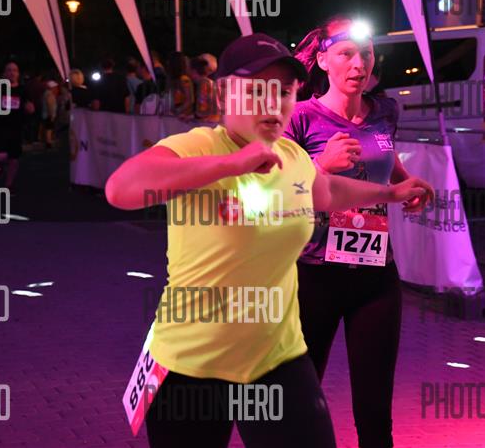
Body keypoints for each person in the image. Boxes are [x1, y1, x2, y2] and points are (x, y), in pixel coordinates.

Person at [105, 33, 433, 448]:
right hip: (193, 361)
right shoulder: (199, 145)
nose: (272, 103)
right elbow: (121, 189)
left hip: (276, 359)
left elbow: (326, 191)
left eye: (283, 91)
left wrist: (391, 193)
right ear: (222, 93)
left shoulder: (290, 155)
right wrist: (232, 163)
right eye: (256, 90)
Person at [286, 16, 432, 448]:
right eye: (346, 54)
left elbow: (388, 160)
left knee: (375, 407)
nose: (358, 64)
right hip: (314, 274)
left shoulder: (385, 111)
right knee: (302, 397)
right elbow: (279, 193)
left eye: (366, 54)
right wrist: (320, 165)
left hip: (375, 275)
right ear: (323, 60)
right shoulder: (299, 117)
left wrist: (409, 183)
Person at [0, 61, 34, 191]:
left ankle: (9, 185)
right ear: (4, 73)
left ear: (18, 74)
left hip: (15, 127)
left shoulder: (22, 90)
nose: (12, 73)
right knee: (1, 156)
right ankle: (0, 165)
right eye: (9, 70)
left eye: (14, 70)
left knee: (14, 159)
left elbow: (29, 105)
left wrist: (30, 108)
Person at [189, 56, 219, 122]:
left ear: (193, 71)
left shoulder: (204, 84)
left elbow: (202, 110)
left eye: (189, 70)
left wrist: (191, 117)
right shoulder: (208, 82)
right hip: (212, 121)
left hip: (209, 122)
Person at [167, 52, 194, 121]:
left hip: (183, 117)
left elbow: (189, 100)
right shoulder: (173, 80)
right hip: (176, 116)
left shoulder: (184, 79)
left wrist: (176, 111)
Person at [41, 80, 59, 149]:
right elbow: (50, 105)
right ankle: (48, 142)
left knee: (47, 128)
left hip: (45, 114)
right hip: (48, 114)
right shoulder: (49, 94)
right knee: (49, 128)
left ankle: (47, 141)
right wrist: (51, 115)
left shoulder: (45, 93)